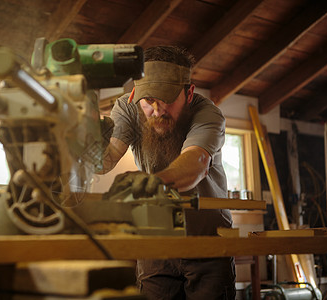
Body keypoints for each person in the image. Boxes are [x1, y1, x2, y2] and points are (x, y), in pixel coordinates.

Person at [99, 46, 236, 299]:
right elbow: (105, 159)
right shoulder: (128, 108)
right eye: (148, 100)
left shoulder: (208, 114)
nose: (158, 110)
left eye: (167, 99)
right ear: (134, 96)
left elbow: (195, 164)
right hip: (156, 238)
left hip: (207, 240)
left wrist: (152, 182)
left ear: (189, 93)